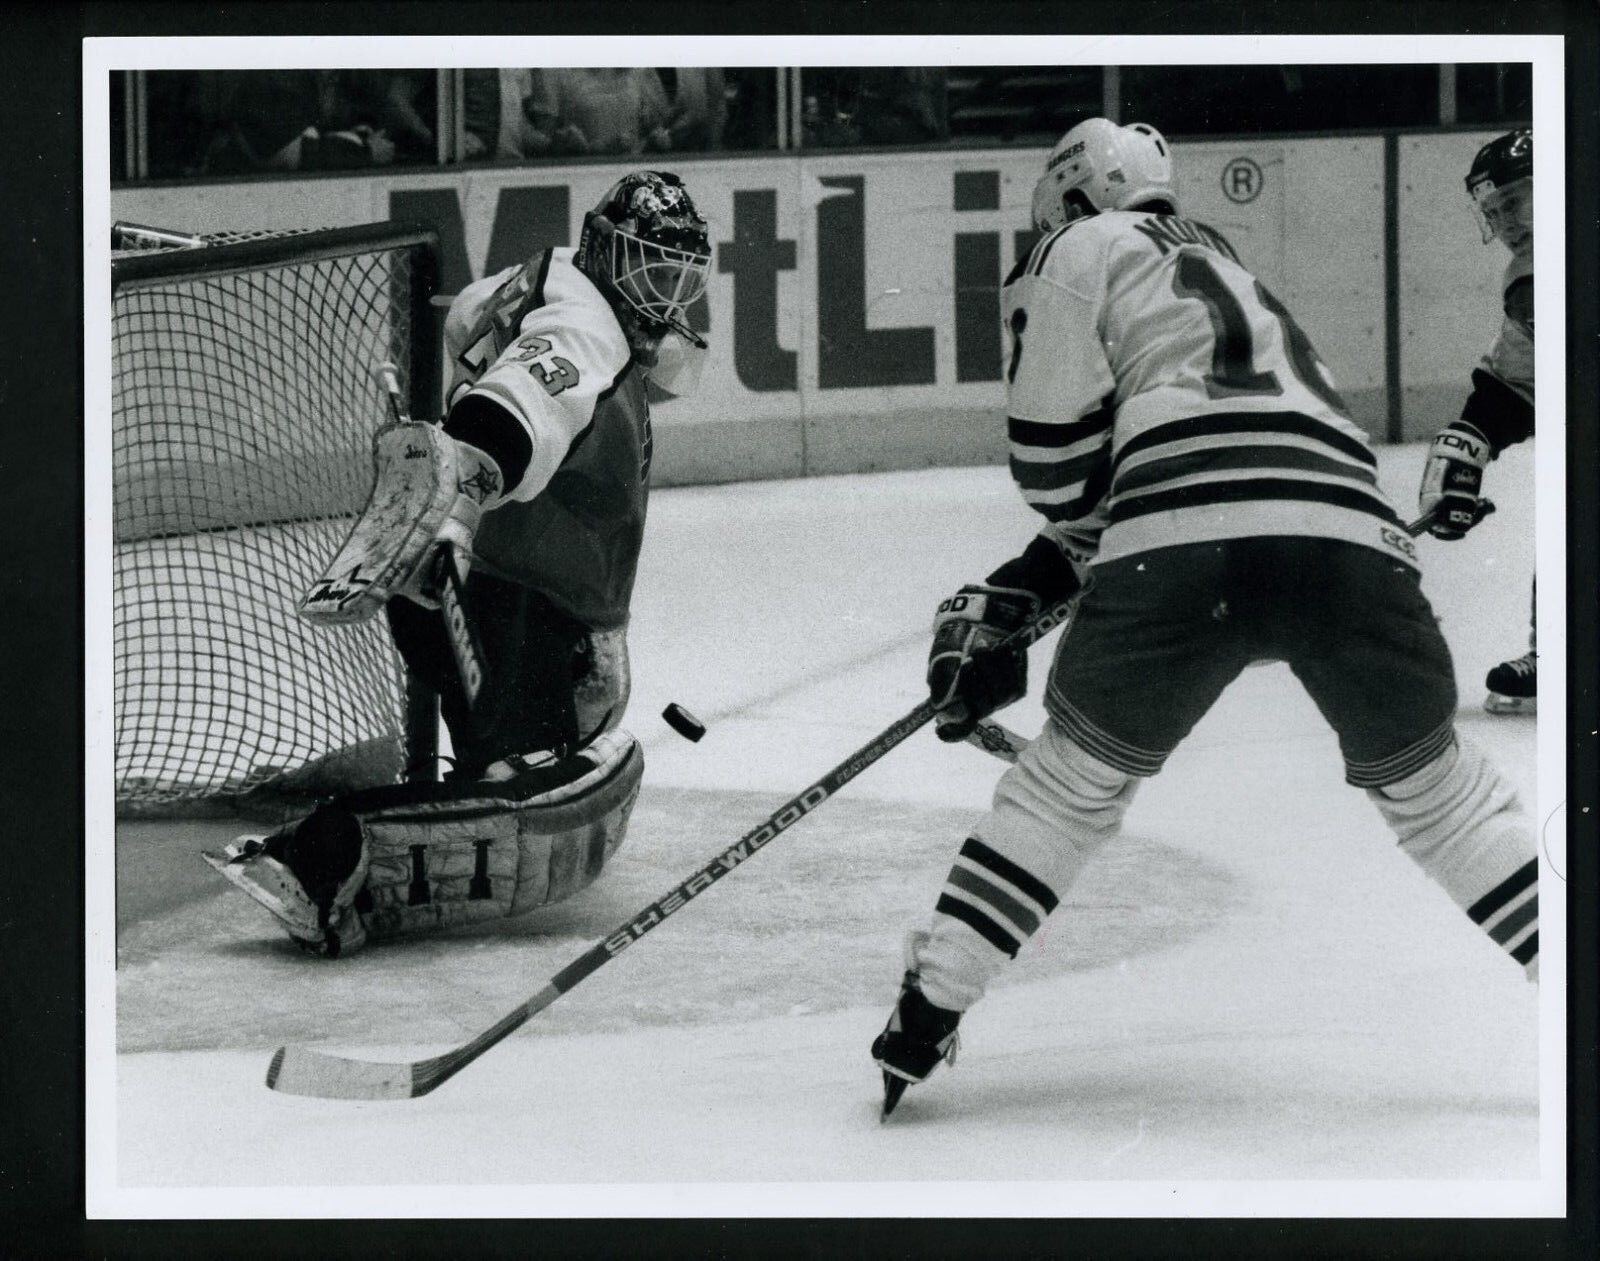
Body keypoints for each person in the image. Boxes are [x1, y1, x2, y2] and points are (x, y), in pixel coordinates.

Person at [871, 119, 1538, 1118]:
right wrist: (1038, 577)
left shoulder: (1075, 247)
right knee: (1440, 797)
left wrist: (1021, 590)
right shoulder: (1229, 263)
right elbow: (1226, 428)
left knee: (1067, 791)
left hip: (1179, 541)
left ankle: (927, 1012)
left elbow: (1056, 467)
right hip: (1346, 522)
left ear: (1068, 198)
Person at [208, 172, 713, 958]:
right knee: (508, 792)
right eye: (653, 270)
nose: (666, 296)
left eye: (680, 277)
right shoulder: (588, 334)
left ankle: (353, 842)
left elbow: (472, 323)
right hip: (504, 597)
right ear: (610, 254)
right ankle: (313, 858)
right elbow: (512, 412)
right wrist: (462, 502)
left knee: (500, 767)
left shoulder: (549, 279)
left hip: (476, 586)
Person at [1417, 129, 1535, 714]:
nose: (1505, 220)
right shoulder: (1528, 276)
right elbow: (1520, 377)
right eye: (1494, 209)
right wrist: (1471, 441)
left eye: (1515, 201)